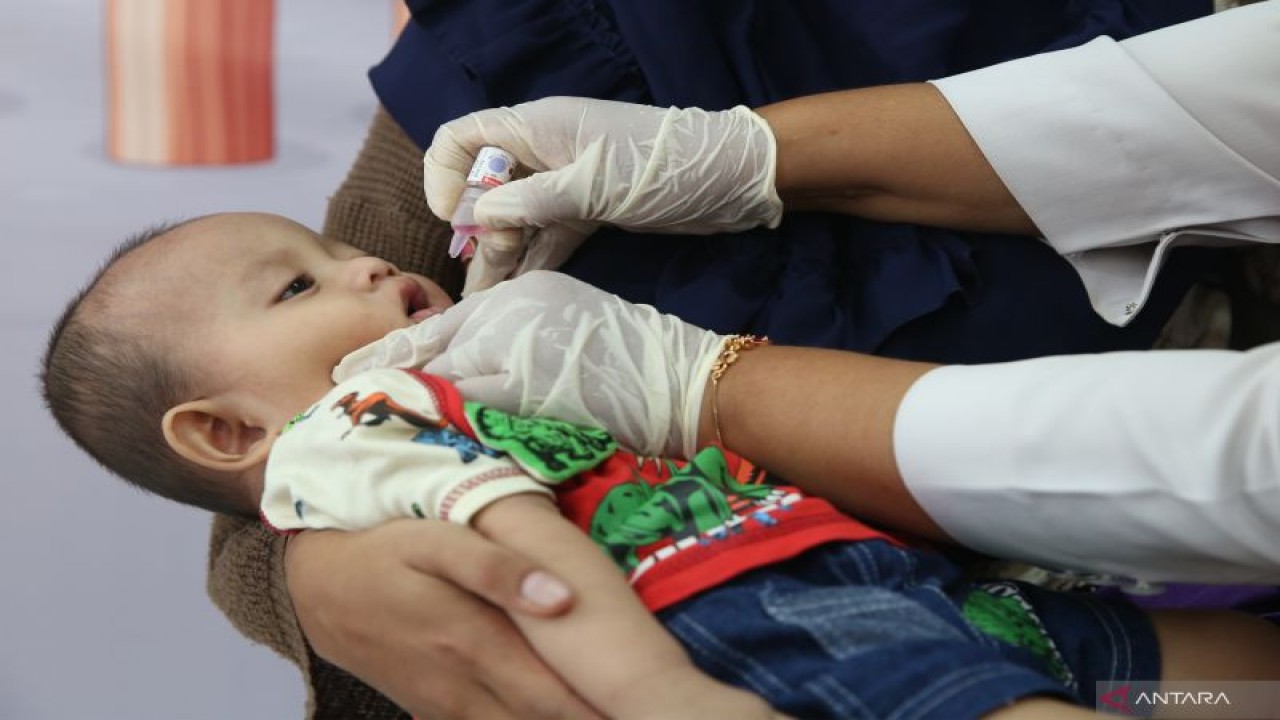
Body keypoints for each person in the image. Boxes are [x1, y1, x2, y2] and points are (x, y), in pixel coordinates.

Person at [205, 3, 1274, 717]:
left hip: (1083, 592)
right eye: (307, 278)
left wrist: (706, 388)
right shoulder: (506, 71)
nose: (359, 279)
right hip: (884, 629)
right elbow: (241, 439)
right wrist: (322, 551)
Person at [48, 213, 1280, 720]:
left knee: (1202, 678)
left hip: (887, 583)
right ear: (224, 434)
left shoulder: (437, 389)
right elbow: (534, 564)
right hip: (777, 626)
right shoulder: (362, 425)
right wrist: (661, 701)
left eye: (332, 246)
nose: (368, 263)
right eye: (300, 284)